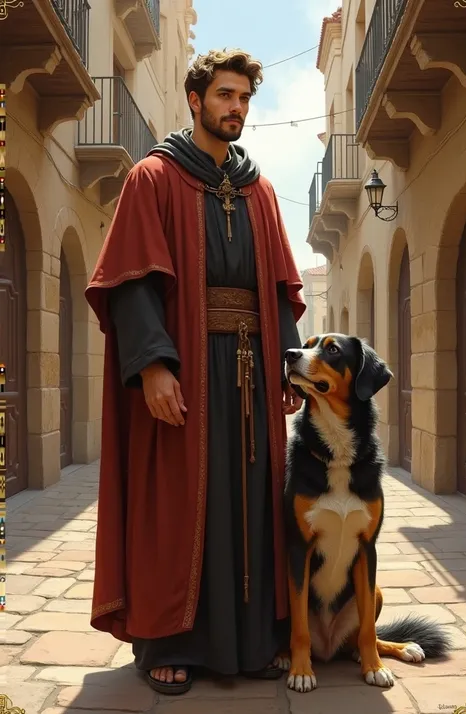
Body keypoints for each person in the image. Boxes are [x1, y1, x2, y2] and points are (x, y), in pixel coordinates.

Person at [84, 48, 306, 696]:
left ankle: (253, 640)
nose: (236, 108)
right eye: (225, 96)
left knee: (253, 505)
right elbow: (131, 285)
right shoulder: (153, 178)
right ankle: (170, 643)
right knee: (180, 506)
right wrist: (153, 366)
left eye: (243, 98)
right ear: (195, 99)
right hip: (184, 371)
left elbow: (278, 287)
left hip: (251, 374)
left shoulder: (259, 189)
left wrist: (289, 367)